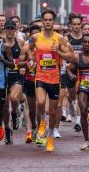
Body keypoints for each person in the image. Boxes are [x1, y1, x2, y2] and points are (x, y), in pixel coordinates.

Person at [28, 9, 75, 152]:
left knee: (53, 112)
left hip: (55, 78)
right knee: (41, 102)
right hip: (40, 76)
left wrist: (58, 52)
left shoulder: (60, 38)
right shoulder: (36, 37)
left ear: (53, 22)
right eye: (45, 20)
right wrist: (32, 60)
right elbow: (29, 49)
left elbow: (70, 57)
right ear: (42, 21)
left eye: (50, 20)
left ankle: (49, 138)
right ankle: (42, 121)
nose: (48, 22)